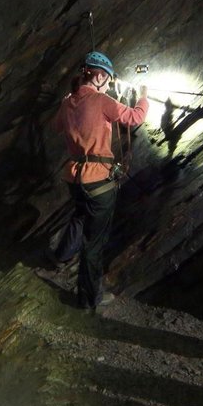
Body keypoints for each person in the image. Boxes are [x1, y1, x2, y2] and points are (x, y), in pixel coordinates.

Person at [51, 51, 148, 313]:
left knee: (80, 215)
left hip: (75, 178)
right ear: (100, 76)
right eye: (108, 80)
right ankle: (88, 298)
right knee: (94, 243)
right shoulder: (102, 100)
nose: (109, 85)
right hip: (98, 182)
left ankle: (60, 257)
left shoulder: (67, 102)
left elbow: (58, 127)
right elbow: (135, 117)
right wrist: (143, 96)